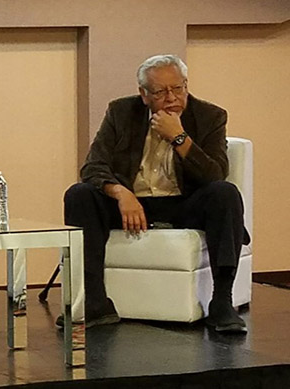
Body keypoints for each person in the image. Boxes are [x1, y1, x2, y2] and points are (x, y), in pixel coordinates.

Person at [63, 54, 248, 333]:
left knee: (225, 193)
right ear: (144, 94)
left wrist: (179, 138)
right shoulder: (121, 112)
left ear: (186, 85)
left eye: (178, 88)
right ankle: (95, 303)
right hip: (132, 205)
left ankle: (222, 302)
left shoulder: (210, 116)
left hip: (183, 204)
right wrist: (120, 192)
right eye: (160, 92)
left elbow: (215, 174)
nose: (171, 98)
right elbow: (93, 166)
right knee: (79, 194)